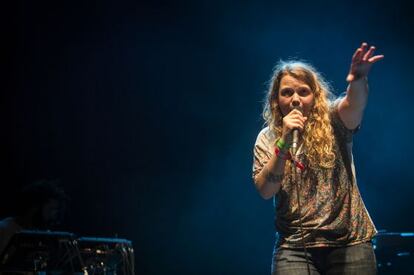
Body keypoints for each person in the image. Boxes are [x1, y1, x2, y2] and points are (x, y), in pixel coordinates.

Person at [252, 42, 384, 274]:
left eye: (303, 91)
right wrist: (283, 142)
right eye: (287, 92)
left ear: (315, 96)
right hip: (294, 248)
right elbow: (265, 190)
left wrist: (358, 80)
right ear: (276, 99)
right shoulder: (268, 137)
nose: (295, 99)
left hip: (349, 243)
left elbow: (354, 104)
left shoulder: (335, 120)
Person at [0, 179, 68, 256]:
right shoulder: (3, 230)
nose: (54, 214)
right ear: (34, 207)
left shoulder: (45, 234)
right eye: (51, 209)